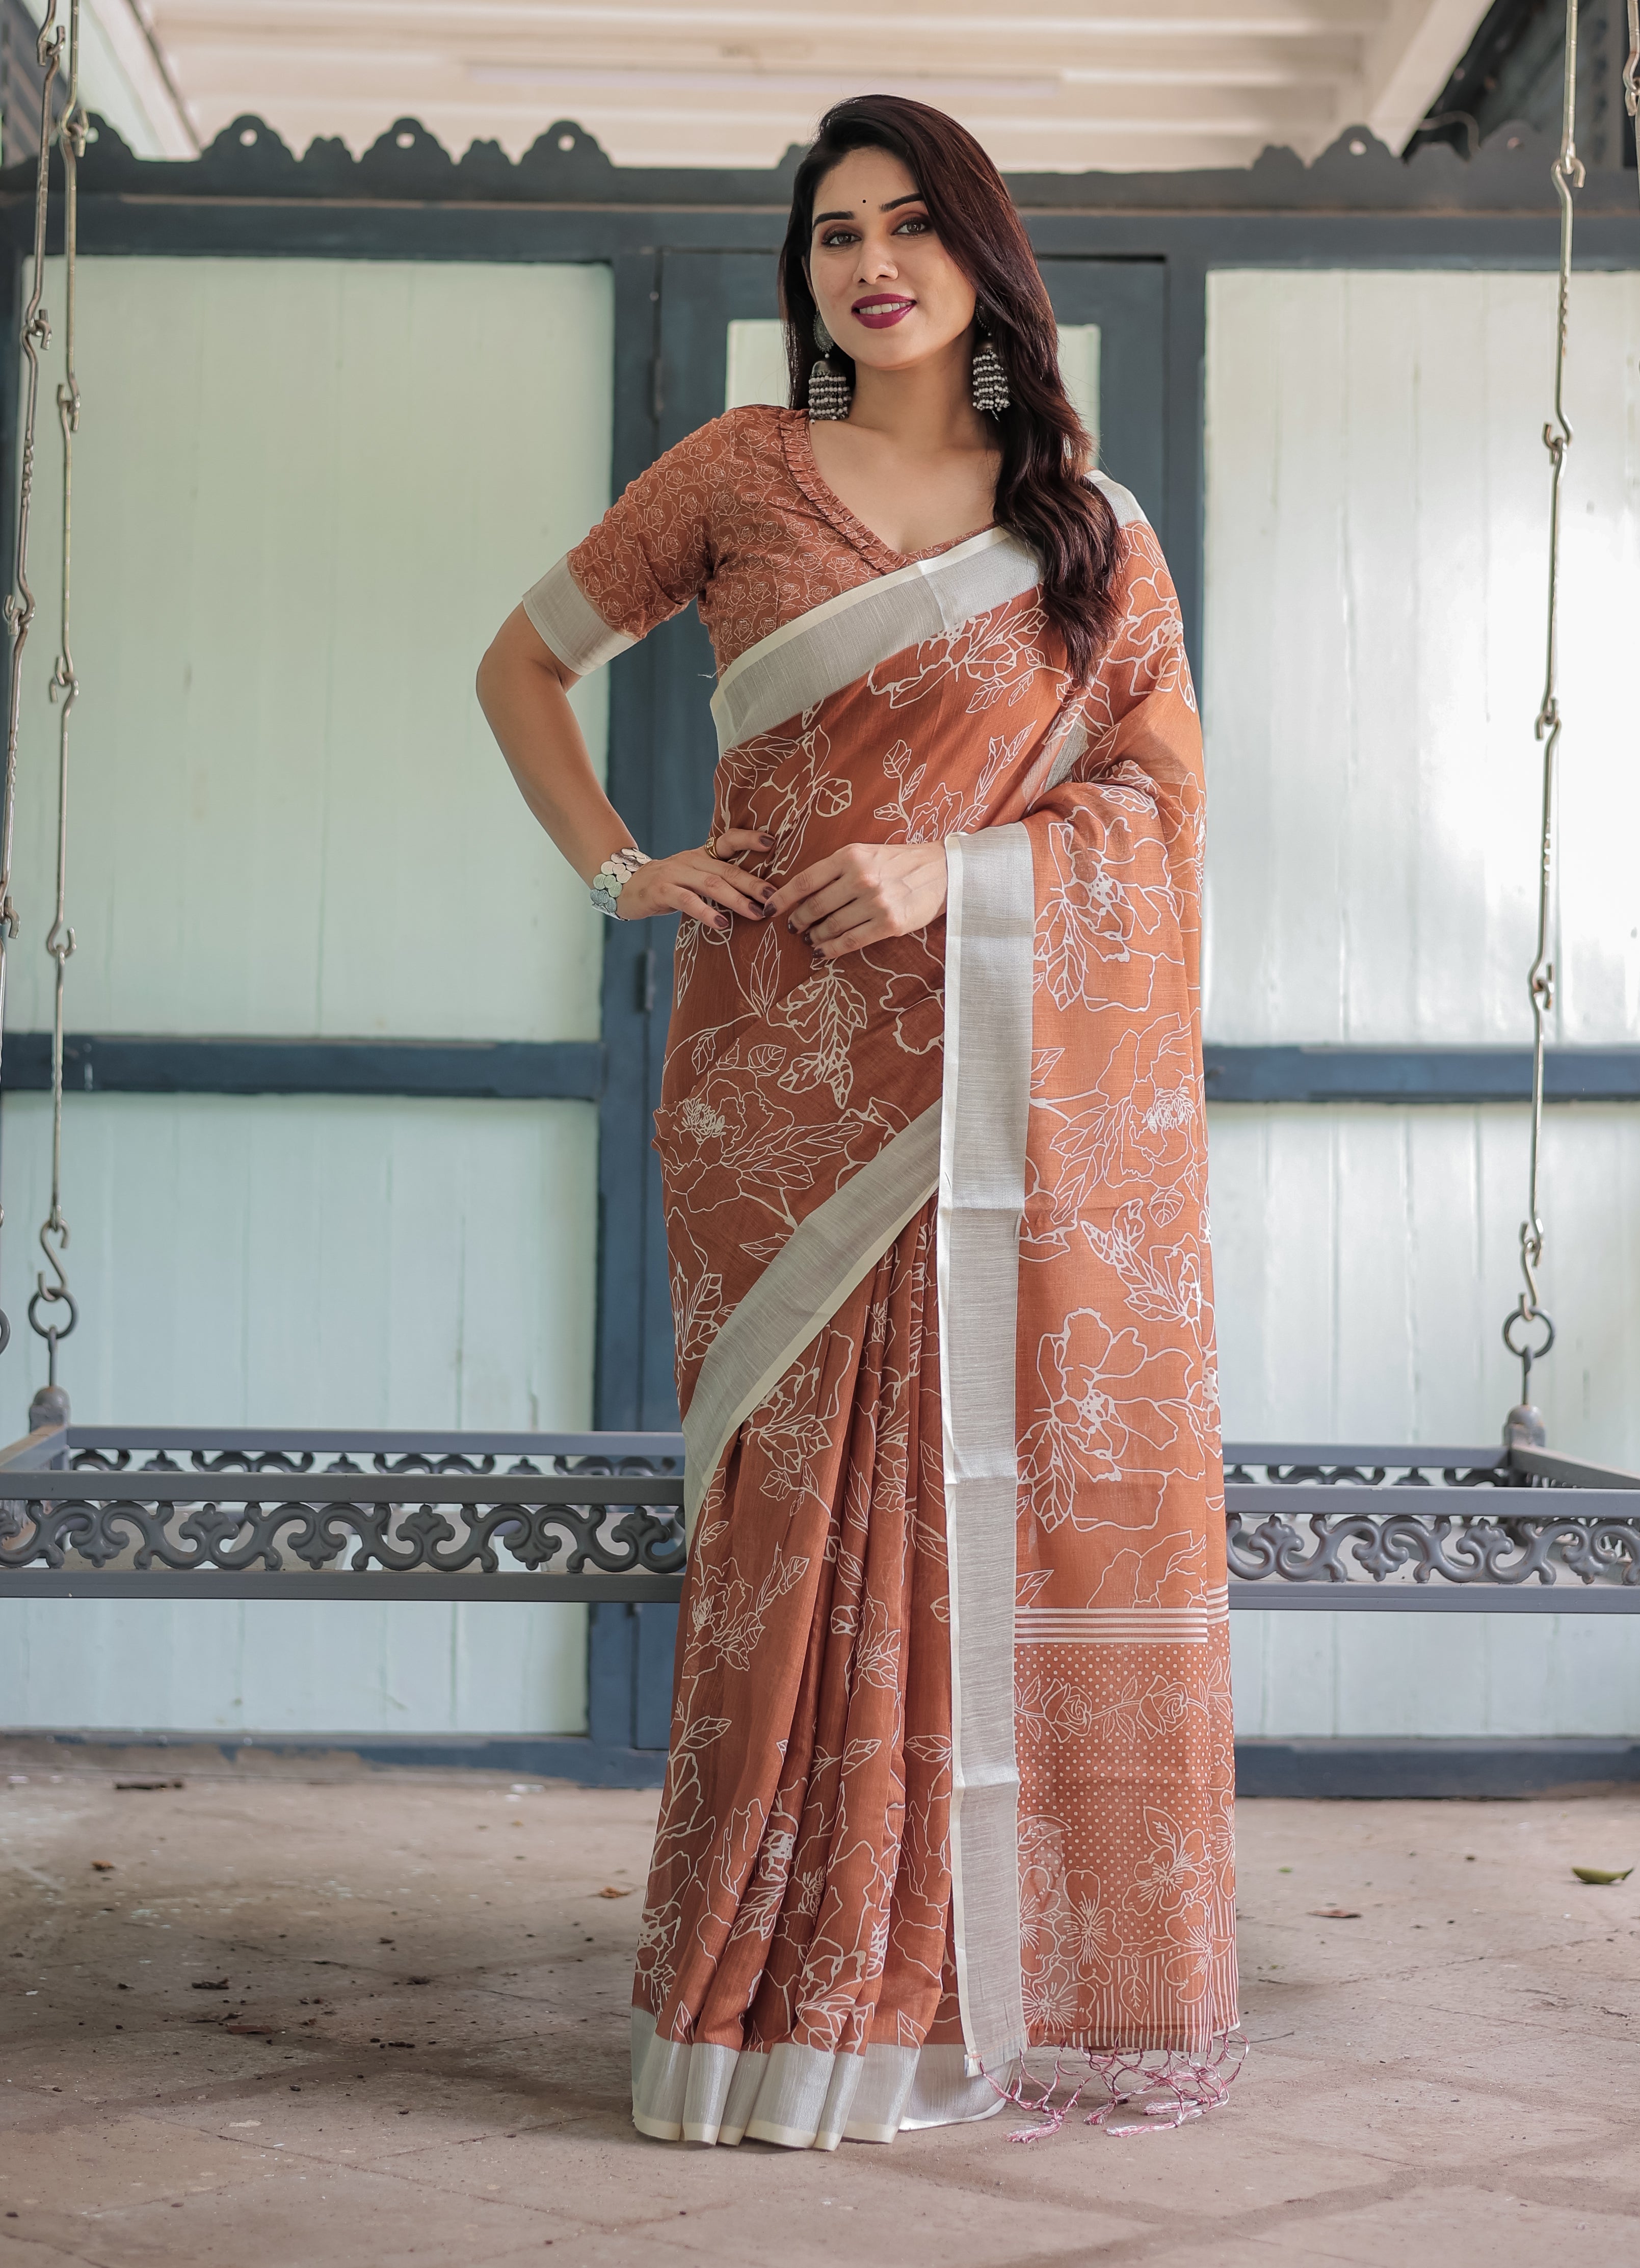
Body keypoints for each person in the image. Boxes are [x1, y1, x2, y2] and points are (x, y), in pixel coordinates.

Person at [478, 92, 1236, 2152]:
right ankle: (748, 2009)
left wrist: (950, 877)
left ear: (984, 263)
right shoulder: (732, 472)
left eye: (907, 228)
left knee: (963, 1510)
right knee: (787, 1536)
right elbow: (522, 667)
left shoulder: (1087, 527)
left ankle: (931, 2003)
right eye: (829, 235)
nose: (866, 265)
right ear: (798, 269)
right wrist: (620, 864)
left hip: (1007, 1091)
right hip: (771, 1082)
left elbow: (1158, 825)